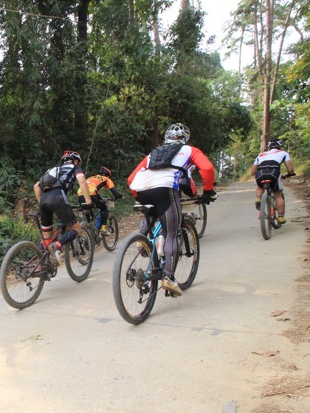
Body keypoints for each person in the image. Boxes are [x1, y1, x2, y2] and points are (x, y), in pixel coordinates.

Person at [127, 123, 216, 297]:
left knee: (151, 212)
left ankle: (143, 238)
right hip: (166, 190)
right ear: (185, 139)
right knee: (172, 233)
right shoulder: (190, 150)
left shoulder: (154, 153)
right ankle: (168, 277)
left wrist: (138, 196)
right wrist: (208, 190)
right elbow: (207, 168)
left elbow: (131, 178)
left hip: (143, 189)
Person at [34, 150, 94, 265]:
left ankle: (41, 265)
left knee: (47, 238)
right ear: (76, 161)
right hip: (58, 198)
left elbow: (36, 186)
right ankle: (57, 246)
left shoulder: (53, 170)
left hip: (44, 199)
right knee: (76, 229)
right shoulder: (75, 167)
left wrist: (43, 204)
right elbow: (82, 180)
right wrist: (88, 201)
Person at [251, 139, 295, 224]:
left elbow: (252, 172)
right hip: (273, 173)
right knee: (278, 195)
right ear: (280, 147)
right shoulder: (284, 153)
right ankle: (280, 217)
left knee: (260, 186)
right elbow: (290, 169)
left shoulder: (261, 155)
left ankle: (258, 198)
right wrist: (290, 173)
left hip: (260, 174)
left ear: (269, 148)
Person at [76, 166, 123, 234]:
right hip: (90, 197)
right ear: (108, 175)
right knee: (104, 208)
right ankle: (103, 229)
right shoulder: (106, 179)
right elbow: (115, 193)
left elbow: (94, 192)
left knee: (89, 213)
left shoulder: (91, 178)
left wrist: (100, 199)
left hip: (80, 198)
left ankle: (88, 230)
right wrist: (119, 196)